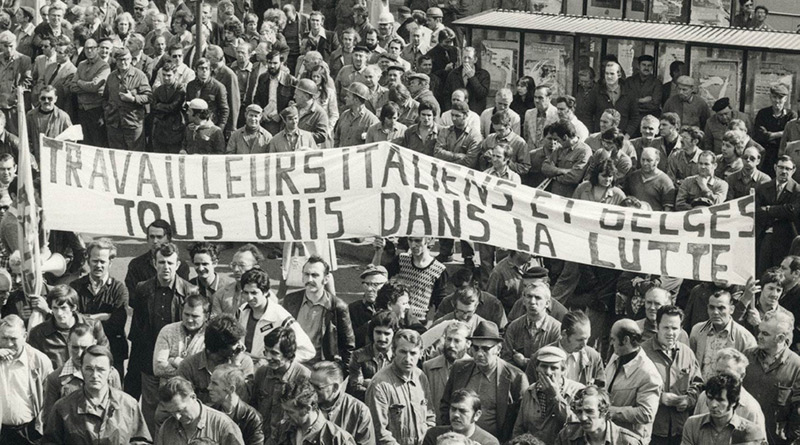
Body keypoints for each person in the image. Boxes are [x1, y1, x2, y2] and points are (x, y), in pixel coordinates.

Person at [127, 242, 197, 430]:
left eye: (170, 263)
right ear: (154, 263)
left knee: (177, 407)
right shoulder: (143, 289)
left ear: (177, 264)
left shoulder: (189, 291)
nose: (165, 267)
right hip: (151, 362)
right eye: (161, 262)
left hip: (175, 361)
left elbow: (193, 328)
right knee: (150, 410)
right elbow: (139, 327)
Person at [42, 345, 151, 445]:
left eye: (101, 370)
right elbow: (50, 442)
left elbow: (141, 441)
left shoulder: (129, 406)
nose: (95, 375)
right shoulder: (63, 408)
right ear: (81, 370)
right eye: (89, 369)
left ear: (110, 372)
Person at [440, 321, 528, 442]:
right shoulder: (459, 368)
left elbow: (520, 421)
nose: (479, 354)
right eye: (476, 348)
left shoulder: (516, 377)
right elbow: (445, 404)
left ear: (498, 349)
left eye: (485, 349)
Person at [641, 305, 703, 445]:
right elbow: (632, 388)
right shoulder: (642, 353)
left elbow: (698, 383)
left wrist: (688, 400)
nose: (670, 333)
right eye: (666, 327)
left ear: (680, 329)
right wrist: (659, 397)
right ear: (657, 326)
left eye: (675, 328)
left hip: (680, 429)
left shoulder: (687, 353)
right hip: (652, 429)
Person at [69, 238, 128, 379]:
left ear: (110, 262)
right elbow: (72, 320)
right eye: (95, 261)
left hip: (113, 352)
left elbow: (118, 322)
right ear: (88, 260)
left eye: (103, 261)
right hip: (81, 353)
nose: (99, 265)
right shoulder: (75, 287)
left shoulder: (119, 289)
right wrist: (103, 316)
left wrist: (85, 317)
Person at [283, 255, 355, 370]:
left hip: (320, 369)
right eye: (306, 274)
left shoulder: (338, 307)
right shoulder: (290, 300)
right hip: (292, 365)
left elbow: (348, 347)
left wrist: (341, 375)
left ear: (326, 279)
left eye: (315, 275)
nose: (309, 279)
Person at [366, 328, 435, 445]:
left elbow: (430, 416)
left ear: (421, 353)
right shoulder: (380, 384)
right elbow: (379, 431)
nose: (408, 359)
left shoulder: (421, 377)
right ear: (393, 351)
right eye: (403, 352)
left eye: (413, 353)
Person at [42, 323, 122, 421]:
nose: (79, 353)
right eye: (75, 347)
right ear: (68, 344)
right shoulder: (55, 379)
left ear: (94, 344)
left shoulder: (110, 374)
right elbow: (49, 421)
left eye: (84, 348)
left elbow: (119, 412)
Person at [742, 310, 800, 445]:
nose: (759, 336)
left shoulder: (796, 366)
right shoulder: (747, 356)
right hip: (744, 437)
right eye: (760, 331)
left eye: (765, 334)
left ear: (780, 338)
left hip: (775, 440)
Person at [236, 268, 314, 361]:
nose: (249, 297)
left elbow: (308, 351)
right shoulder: (242, 310)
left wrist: (276, 360)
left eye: (254, 293)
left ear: (266, 292)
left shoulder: (281, 317)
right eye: (246, 292)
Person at [604, 318, 663, 442]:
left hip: (631, 439)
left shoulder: (648, 373)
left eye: (613, 339)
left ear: (625, 340)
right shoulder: (617, 355)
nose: (611, 343)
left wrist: (613, 412)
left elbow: (646, 413)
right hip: (610, 434)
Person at [252, 327, 312, 441]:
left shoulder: (304, 377)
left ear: (288, 354)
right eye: (266, 351)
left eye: (274, 353)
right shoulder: (261, 373)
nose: (268, 357)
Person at [27, 284, 109, 369]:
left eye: (63, 308)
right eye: (55, 308)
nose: (59, 313)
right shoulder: (38, 333)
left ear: (73, 307)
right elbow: (33, 366)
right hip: (55, 380)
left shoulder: (93, 326)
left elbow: (105, 357)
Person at [0, 314, 53, 444]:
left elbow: (51, 395)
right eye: (4, 338)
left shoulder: (39, 360)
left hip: (28, 431)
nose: (8, 344)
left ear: (25, 336)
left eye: (13, 339)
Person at [514, 346, 584, 441]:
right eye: (544, 366)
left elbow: (576, 427)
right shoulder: (530, 391)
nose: (548, 372)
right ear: (537, 368)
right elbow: (519, 428)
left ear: (563, 370)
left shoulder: (577, 391)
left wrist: (555, 396)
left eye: (554, 368)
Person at [693, 348, 767, 435]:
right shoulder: (704, 397)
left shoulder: (751, 408)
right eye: (718, 372)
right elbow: (694, 432)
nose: (721, 378)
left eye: (726, 374)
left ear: (742, 376)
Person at [689, 289, 757, 380]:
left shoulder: (745, 337)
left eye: (721, 308)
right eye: (712, 307)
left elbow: (748, 373)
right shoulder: (697, 331)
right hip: (701, 389)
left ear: (731, 309)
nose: (715, 312)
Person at [157, 376, 244, 445]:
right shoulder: (166, 428)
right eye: (172, 412)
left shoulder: (223, 425)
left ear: (193, 397)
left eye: (180, 410)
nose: (177, 417)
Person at [680, 374, 764, 444]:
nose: (713, 405)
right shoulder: (693, 425)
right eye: (710, 398)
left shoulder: (750, 432)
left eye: (720, 400)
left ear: (733, 402)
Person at [382, 235, 449, 319]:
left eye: (418, 240)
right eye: (410, 240)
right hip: (398, 316)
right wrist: (378, 252)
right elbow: (379, 276)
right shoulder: (402, 259)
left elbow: (440, 302)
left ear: (428, 239)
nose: (413, 245)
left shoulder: (439, 270)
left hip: (418, 320)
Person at [272, 379, 355, 445]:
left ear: (307, 409)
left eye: (290, 412)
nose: (285, 416)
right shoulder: (282, 429)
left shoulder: (339, 439)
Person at [755, 155, 800, 275]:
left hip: (786, 238)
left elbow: (792, 211)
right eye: (781, 167)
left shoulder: (797, 191)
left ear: (793, 170)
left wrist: (769, 209)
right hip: (764, 236)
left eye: (788, 169)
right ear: (775, 167)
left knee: (781, 274)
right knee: (762, 272)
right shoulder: (763, 188)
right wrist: (781, 211)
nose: (784, 171)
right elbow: (757, 211)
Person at [311, 361, 375, 445]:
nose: (311, 390)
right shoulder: (304, 405)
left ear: (335, 387)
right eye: (310, 384)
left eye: (317, 387)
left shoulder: (359, 411)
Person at [123, 219, 190, 298]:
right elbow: (133, 296)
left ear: (168, 239)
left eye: (159, 237)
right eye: (151, 237)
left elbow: (183, 294)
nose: (155, 241)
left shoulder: (181, 266)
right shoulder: (136, 264)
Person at [502, 281, 561, 369]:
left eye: (538, 298)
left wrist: (525, 362)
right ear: (523, 301)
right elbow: (506, 360)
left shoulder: (556, 329)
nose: (532, 302)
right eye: (529, 296)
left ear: (547, 303)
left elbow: (556, 363)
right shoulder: (514, 327)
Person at [102, 47, 151, 150]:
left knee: (135, 156)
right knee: (116, 155)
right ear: (116, 60)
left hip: (132, 123)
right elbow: (105, 97)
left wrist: (133, 99)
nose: (123, 62)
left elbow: (149, 97)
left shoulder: (139, 75)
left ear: (130, 60)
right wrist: (108, 111)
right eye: (120, 59)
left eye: (126, 59)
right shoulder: (111, 77)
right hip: (114, 124)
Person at [152, 293, 209, 381]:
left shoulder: (211, 336)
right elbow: (158, 368)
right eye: (186, 314)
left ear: (206, 316)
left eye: (195, 316)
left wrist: (173, 361)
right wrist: (190, 373)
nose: (189, 320)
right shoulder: (168, 331)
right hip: (168, 391)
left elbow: (207, 372)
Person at [423, 321, 471, 423]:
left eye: (457, 341)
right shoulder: (429, 367)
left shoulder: (473, 368)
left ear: (468, 343)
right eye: (449, 339)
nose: (451, 345)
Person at [348, 310, 399, 400]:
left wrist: (370, 383)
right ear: (372, 332)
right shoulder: (358, 356)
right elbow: (355, 389)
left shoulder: (399, 356)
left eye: (387, 333)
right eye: (378, 332)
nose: (382, 338)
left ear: (394, 334)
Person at [207, 364, 264, 445]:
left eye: (214, 384)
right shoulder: (210, 412)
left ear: (231, 389)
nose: (209, 387)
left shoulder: (252, 418)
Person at [435, 267, 508, 330]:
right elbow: (436, 328)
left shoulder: (493, 303)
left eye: (463, 288)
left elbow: (502, 331)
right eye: (457, 289)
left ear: (475, 284)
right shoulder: (447, 301)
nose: (460, 292)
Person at [69, 37, 108, 147]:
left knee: (96, 143)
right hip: (81, 110)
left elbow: (94, 86)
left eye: (92, 48)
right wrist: (87, 86)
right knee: (84, 142)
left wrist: (80, 82)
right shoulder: (81, 64)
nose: (89, 51)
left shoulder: (104, 66)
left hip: (95, 110)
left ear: (97, 49)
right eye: (87, 48)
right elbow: (72, 86)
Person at [423, 389, 499, 445]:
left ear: (477, 415)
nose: (456, 414)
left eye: (462, 411)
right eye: (453, 409)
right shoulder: (434, 435)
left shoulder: (489, 442)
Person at [586, 61, 639, 136]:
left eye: (612, 74)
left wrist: (627, 135)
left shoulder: (629, 93)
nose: (609, 76)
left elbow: (635, 117)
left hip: (621, 137)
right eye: (606, 73)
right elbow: (587, 114)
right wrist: (592, 133)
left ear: (619, 74)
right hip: (600, 136)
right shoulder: (596, 92)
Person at [541, 121, 593, 197]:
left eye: (557, 139)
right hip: (554, 195)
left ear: (565, 137)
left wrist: (553, 175)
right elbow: (545, 167)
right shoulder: (560, 148)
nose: (556, 142)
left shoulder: (584, 151)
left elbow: (574, 177)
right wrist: (561, 171)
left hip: (570, 197)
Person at [211, 243, 263, 316]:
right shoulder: (220, 294)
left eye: (242, 265)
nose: (236, 269)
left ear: (256, 267)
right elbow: (215, 323)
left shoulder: (267, 298)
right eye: (233, 265)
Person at [754, 84, 795, 170]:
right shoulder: (763, 114)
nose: (777, 101)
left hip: (784, 156)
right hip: (766, 156)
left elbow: (792, 136)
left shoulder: (791, 115)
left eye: (780, 98)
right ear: (770, 97)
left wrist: (771, 135)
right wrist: (783, 133)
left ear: (785, 99)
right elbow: (761, 136)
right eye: (774, 97)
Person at [476, 110, 529, 175]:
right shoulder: (489, 138)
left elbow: (525, 168)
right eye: (495, 130)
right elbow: (478, 160)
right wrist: (485, 157)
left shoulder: (519, 143)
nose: (498, 133)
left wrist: (505, 162)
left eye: (501, 130)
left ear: (509, 125)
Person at [26, 85, 71, 160]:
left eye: (50, 98)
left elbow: (71, 139)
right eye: (43, 98)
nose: (46, 101)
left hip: (55, 159)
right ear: (39, 99)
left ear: (55, 99)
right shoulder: (30, 115)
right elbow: (26, 137)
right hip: (36, 158)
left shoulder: (63, 117)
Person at [150, 62, 186, 153]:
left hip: (175, 129)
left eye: (169, 75)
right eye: (164, 75)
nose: (166, 78)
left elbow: (174, 107)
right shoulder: (159, 89)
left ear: (175, 75)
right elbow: (153, 106)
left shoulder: (180, 89)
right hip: (161, 129)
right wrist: (162, 107)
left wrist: (160, 106)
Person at [625, 147, 676, 211]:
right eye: (643, 159)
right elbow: (625, 198)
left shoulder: (665, 181)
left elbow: (668, 210)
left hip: (653, 218)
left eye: (649, 160)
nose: (645, 163)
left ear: (657, 160)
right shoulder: (633, 176)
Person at [442, 46, 489, 114]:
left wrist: (472, 78)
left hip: (474, 113)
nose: (466, 61)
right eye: (464, 57)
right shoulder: (453, 74)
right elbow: (446, 95)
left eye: (469, 58)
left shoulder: (483, 74)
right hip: (456, 113)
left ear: (475, 60)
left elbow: (482, 94)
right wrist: (450, 110)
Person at [348, 264, 388, 332]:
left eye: (375, 284)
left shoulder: (392, 308)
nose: (369, 289)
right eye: (366, 284)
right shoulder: (353, 309)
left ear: (386, 285)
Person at [627, 55, 661, 119]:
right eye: (644, 65)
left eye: (649, 65)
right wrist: (642, 100)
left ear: (652, 68)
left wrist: (635, 102)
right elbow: (626, 101)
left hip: (650, 117)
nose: (646, 68)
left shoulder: (657, 83)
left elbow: (655, 105)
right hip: (631, 117)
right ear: (638, 66)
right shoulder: (629, 81)